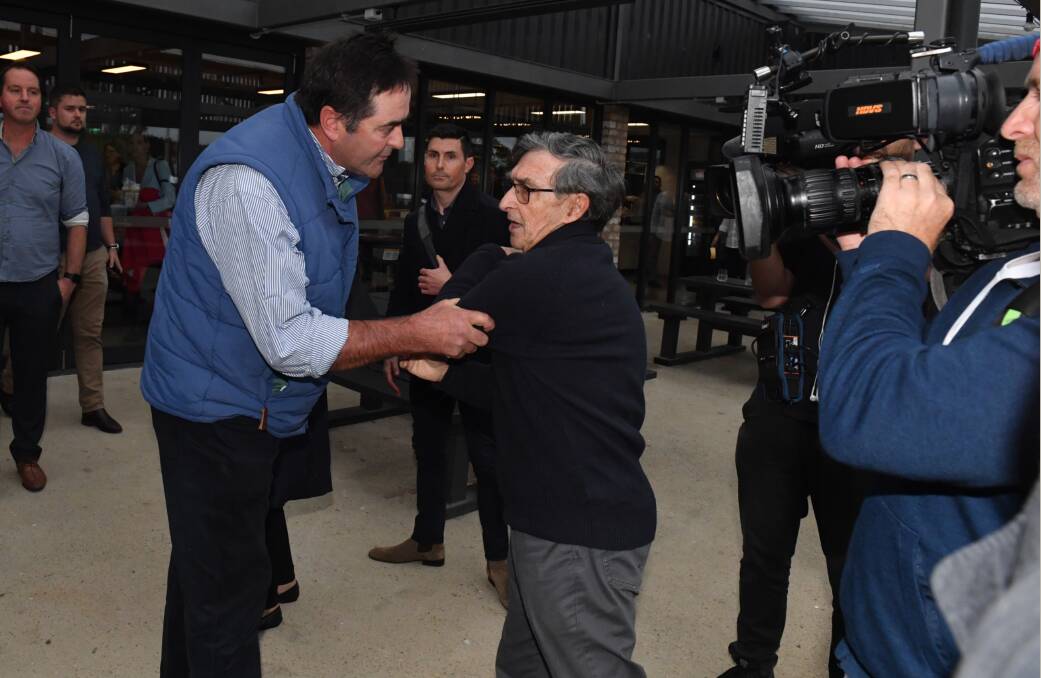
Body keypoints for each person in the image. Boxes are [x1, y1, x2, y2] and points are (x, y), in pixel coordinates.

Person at [140, 33, 493, 678]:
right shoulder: (249, 183)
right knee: (231, 600)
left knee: (204, 571)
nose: (398, 144)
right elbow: (290, 338)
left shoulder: (328, 161)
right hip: (213, 408)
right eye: (388, 129)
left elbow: (318, 286)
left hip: (252, 400)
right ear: (332, 121)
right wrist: (413, 332)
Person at [815, 49, 1041, 678]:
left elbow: (872, 412)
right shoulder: (1013, 269)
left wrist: (896, 252)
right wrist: (869, 261)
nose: (1012, 124)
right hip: (887, 644)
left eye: (1039, 97)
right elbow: (930, 379)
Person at [399, 132, 656, 677]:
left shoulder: (540, 274)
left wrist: (490, 254)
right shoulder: (585, 272)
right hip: (557, 519)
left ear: (574, 205)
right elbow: (526, 391)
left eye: (524, 189)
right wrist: (448, 374)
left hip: (577, 533)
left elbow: (435, 325)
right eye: (508, 186)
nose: (506, 203)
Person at [369, 123, 512, 606]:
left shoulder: (496, 217)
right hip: (426, 350)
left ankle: (500, 562)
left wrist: (458, 285)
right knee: (426, 447)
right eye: (431, 155)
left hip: (479, 357)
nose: (439, 165)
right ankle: (427, 539)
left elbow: (517, 287)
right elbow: (405, 286)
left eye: (450, 156)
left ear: (468, 165)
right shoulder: (417, 220)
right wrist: (392, 341)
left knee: (487, 460)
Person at [716, 229, 863, 678]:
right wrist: (761, 231)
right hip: (778, 411)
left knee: (850, 570)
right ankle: (752, 663)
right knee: (763, 555)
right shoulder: (804, 211)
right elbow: (771, 294)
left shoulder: (908, 219)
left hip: (855, 427)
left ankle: (846, 668)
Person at [0, 63, 88, 492]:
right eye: (15, 90)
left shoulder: (63, 158)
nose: (24, 98)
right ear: (2, 97)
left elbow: (76, 221)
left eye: (32, 92)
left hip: (38, 284)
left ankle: (27, 454)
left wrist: (68, 279)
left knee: (32, 378)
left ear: (41, 102)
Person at [34, 86, 122, 433]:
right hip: (49, 256)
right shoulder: (37, 151)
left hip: (92, 254)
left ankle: (93, 406)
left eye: (83, 109)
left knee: (90, 334)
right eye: (70, 108)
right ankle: (12, 387)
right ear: (52, 113)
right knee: (37, 332)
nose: (78, 115)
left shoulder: (91, 154)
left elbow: (101, 206)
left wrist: (112, 248)